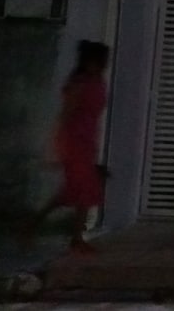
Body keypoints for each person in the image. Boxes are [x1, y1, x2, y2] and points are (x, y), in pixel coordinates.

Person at [24, 40, 110, 253]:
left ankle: (32, 225)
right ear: (90, 61)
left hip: (87, 142)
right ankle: (76, 238)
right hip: (75, 143)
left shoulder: (96, 81)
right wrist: (56, 148)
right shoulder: (79, 84)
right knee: (86, 190)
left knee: (73, 192)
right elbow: (65, 116)